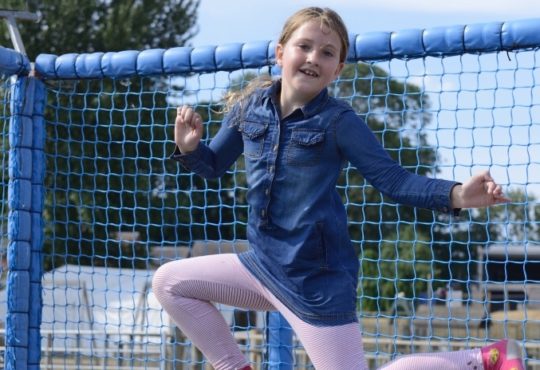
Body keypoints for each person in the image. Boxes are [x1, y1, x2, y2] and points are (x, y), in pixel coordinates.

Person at [153, 6, 524, 370]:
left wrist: (458, 194)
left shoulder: (339, 122)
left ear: (337, 70)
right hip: (261, 265)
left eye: (327, 53)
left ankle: (485, 359)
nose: (314, 58)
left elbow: (394, 180)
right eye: (305, 46)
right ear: (281, 52)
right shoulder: (250, 107)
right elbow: (212, 166)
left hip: (316, 281)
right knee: (170, 282)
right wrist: (189, 148)